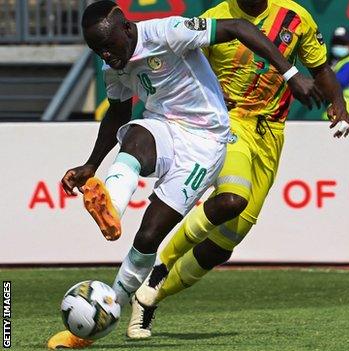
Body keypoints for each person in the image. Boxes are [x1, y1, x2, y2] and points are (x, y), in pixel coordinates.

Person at [47, 0, 323, 348]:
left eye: (108, 45)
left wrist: (290, 73)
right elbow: (117, 113)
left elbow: (240, 28)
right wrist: (91, 165)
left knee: (149, 237)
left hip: (205, 141)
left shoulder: (167, 32)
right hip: (162, 127)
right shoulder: (113, 68)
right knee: (134, 134)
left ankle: (113, 305)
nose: (105, 55)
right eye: (96, 50)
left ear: (127, 29)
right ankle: (112, 207)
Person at [126, 0, 349, 339]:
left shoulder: (295, 17)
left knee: (224, 244)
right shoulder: (214, 19)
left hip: (271, 134)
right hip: (227, 124)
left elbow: (320, 70)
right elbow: (183, 68)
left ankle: (150, 297)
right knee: (233, 198)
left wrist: (339, 103)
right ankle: (158, 269)